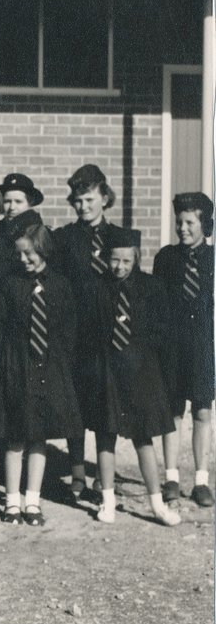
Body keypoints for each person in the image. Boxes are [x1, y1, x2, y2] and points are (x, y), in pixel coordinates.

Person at [84, 227, 180, 527]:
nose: (120, 267)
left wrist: (144, 356)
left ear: (136, 258)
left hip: (141, 372)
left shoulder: (152, 287)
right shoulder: (96, 288)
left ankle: (156, 503)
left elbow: (162, 331)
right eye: (115, 260)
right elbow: (89, 334)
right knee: (105, 435)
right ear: (106, 258)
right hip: (108, 372)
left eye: (126, 261)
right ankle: (108, 500)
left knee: (144, 437)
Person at [0, 214, 82, 526]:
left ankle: (33, 500)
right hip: (17, 366)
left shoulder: (62, 286)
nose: (23, 258)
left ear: (43, 251)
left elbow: (69, 331)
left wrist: (58, 363)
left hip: (48, 366)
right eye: (19, 253)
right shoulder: (11, 285)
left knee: (38, 436)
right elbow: (0, 328)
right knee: (15, 436)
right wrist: (5, 367)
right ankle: (12, 501)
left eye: (29, 253)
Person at [52, 164, 116, 502]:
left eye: (90, 199)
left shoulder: (118, 236)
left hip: (107, 334)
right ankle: (77, 468)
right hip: (75, 334)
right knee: (75, 402)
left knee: (106, 405)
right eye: (77, 200)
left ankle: (102, 475)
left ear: (104, 198)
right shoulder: (65, 239)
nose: (83, 206)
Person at [154, 193, 214, 508]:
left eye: (190, 222)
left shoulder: (213, 259)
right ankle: (172, 477)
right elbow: (157, 307)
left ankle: (201, 481)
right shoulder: (166, 258)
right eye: (179, 221)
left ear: (205, 224)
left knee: (203, 411)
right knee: (173, 411)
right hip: (173, 348)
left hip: (203, 346)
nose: (183, 228)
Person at [0, 173, 44, 239]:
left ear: (30, 203)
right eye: (7, 201)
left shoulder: (35, 232)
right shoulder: (0, 227)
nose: (12, 207)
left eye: (18, 202)